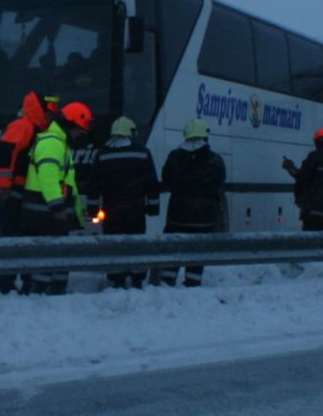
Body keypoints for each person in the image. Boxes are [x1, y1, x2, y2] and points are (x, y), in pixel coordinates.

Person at [20, 101, 92, 295]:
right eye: (79, 131)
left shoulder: (57, 143)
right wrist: (58, 207)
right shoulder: (52, 143)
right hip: (46, 214)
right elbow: (49, 178)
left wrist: (75, 212)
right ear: (69, 124)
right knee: (48, 259)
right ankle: (39, 295)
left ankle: (52, 293)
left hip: (49, 214)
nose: (79, 136)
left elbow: (66, 184)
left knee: (56, 258)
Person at [0, 92, 58, 294]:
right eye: (49, 111)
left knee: (17, 235)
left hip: (15, 190)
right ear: (40, 109)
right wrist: (4, 187)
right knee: (11, 237)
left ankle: (11, 280)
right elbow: (5, 155)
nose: (52, 116)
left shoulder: (34, 128)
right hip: (9, 191)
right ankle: (4, 284)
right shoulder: (23, 126)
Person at [86, 115, 159, 289]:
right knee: (136, 244)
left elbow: (93, 186)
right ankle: (137, 277)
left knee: (114, 243)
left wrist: (93, 209)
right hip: (136, 210)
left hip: (112, 211)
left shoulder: (102, 154)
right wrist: (153, 207)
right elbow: (152, 183)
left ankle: (117, 277)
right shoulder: (142, 152)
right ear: (130, 133)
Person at [156, 119, 227, 287]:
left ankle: (168, 280)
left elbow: (167, 180)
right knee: (197, 250)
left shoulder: (174, 157)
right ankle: (193, 283)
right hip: (205, 219)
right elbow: (219, 182)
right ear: (205, 137)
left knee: (173, 248)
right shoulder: (215, 160)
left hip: (177, 217)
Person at [282, 127, 323, 231]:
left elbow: (302, 177)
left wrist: (290, 167)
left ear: (316, 142)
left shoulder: (314, 157)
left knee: (309, 244)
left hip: (311, 211)